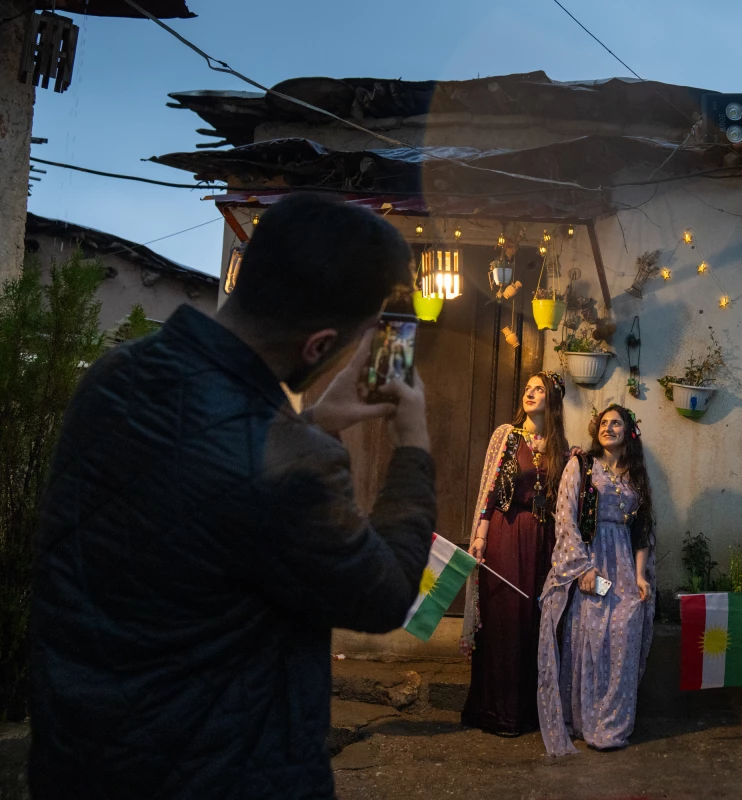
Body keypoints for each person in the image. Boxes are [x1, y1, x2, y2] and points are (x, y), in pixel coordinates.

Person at [29, 193, 437, 799]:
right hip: (219, 774)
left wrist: (314, 421)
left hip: (81, 762)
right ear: (318, 347)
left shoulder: (113, 377)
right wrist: (413, 445)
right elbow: (387, 594)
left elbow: (209, 499)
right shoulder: (296, 466)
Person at [537, 404, 655, 756]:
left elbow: (643, 529)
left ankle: (613, 723)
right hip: (591, 564)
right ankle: (585, 720)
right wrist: (583, 569)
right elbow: (565, 518)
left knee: (625, 625)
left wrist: (639, 576)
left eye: (616, 423)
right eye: (603, 423)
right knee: (589, 629)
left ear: (628, 432)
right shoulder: (582, 466)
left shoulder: (636, 476)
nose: (608, 427)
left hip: (623, 566)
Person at [460, 371, 570, 735]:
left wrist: (575, 460)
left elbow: (564, 497)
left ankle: (526, 712)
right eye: (527, 389)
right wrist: (479, 535)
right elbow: (490, 490)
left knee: (533, 622)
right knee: (504, 619)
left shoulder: (560, 446)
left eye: (539, 390)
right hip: (507, 535)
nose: (530, 394)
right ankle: (495, 712)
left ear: (552, 400)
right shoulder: (506, 436)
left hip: (542, 541)